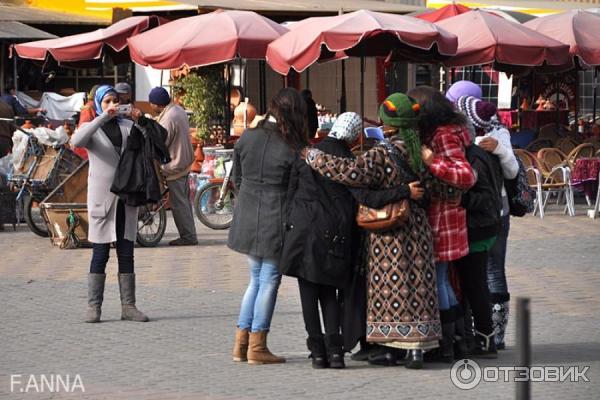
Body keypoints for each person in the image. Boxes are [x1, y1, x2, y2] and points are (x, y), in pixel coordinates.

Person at [305, 93, 442, 369]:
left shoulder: (381, 153)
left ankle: (390, 349)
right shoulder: (424, 151)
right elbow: (437, 189)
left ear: (388, 124)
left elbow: (350, 172)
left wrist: (315, 157)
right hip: (418, 229)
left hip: (388, 233)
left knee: (390, 288)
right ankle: (417, 350)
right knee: (419, 285)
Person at [228, 87, 309, 365]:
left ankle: (241, 344)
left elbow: (237, 179)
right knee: (269, 280)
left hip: (248, 213)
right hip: (276, 215)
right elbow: (297, 189)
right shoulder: (292, 146)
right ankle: (257, 345)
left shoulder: (247, 137)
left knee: (255, 279)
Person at [407, 86, 476, 362]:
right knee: (442, 280)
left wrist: (432, 160)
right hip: (442, 219)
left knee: (439, 281)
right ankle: (458, 341)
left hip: (443, 220)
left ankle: (448, 344)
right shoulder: (441, 131)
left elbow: (466, 175)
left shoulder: (444, 134)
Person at [70, 84, 148, 323]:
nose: (112, 104)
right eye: (107, 101)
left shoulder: (127, 127)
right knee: (100, 253)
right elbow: (77, 140)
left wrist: (141, 120)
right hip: (102, 200)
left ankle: (129, 306)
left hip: (126, 198)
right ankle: (94, 307)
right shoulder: (93, 128)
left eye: (115, 100)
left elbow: (150, 143)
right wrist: (102, 117)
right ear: (98, 104)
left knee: (127, 252)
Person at [457, 96, 518, 350]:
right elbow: (512, 171)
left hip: (483, 219)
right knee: (493, 273)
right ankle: (495, 334)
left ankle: (484, 334)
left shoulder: (475, 147)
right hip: (499, 214)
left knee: (479, 277)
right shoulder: (500, 135)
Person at [148, 87, 197, 246]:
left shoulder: (169, 118)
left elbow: (161, 142)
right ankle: (190, 234)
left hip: (174, 165)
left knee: (179, 204)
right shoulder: (177, 109)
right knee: (184, 201)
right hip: (183, 163)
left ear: (156, 104)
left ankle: (188, 237)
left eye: (151, 103)